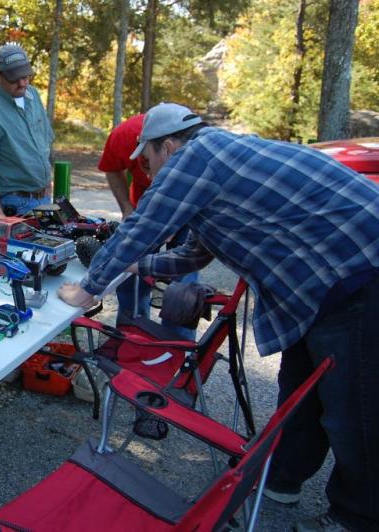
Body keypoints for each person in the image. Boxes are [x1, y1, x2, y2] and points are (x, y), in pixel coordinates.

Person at [59, 102, 379, 531]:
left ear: (168, 146)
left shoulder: (198, 156)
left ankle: (358, 516)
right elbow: (192, 253)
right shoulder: (218, 164)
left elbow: (141, 228)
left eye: (149, 159)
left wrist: (86, 289)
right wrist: (134, 266)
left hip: (361, 272)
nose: (148, 172)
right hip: (325, 283)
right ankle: (282, 478)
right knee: (300, 388)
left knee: (353, 406)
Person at [98, 113, 199, 339]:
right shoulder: (122, 136)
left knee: (183, 279)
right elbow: (112, 169)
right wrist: (126, 208)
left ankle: (176, 348)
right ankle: (133, 338)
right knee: (132, 273)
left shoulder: (191, 147)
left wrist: (170, 227)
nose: (149, 171)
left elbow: (197, 196)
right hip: (143, 208)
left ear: (168, 148)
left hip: (187, 205)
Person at [0, 42, 54, 220]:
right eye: (14, 78)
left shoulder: (33, 95)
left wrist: (48, 186)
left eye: (26, 76)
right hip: (16, 204)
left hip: (45, 199)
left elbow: (45, 142)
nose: (22, 83)